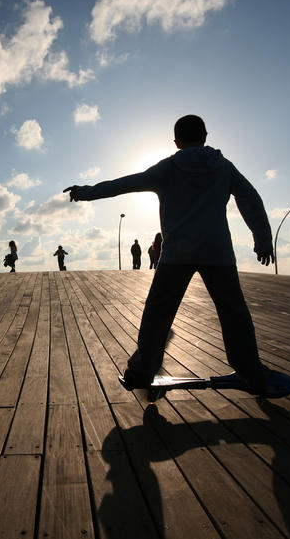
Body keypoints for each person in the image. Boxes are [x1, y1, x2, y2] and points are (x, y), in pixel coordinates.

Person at [64, 114, 274, 393]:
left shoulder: (168, 168)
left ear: (176, 142)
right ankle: (251, 369)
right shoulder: (224, 167)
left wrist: (85, 192)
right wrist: (262, 238)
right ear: (206, 136)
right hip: (218, 252)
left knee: (158, 314)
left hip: (177, 254)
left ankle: (142, 370)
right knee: (234, 313)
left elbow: (123, 184)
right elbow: (250, 197)